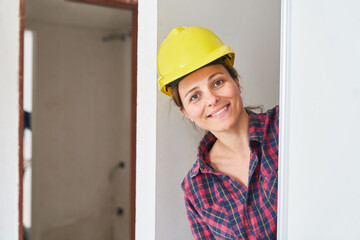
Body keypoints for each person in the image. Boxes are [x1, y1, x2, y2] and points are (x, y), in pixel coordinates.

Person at [157, 26, 278, 240]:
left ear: (236, 82)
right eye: (195, 96)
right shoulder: (196, 188)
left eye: (218, 82)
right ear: (185, 113)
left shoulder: (284, 127)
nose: (211, 99)